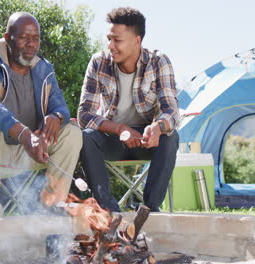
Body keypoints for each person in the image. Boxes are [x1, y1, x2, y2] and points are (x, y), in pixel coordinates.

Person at [0, 12, 82, 218]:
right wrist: (25, 134)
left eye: (35, 38)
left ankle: (51, 213)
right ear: (8, 37)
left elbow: (61, 107)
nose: (31, 44)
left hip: (31, 151)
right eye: (24, 37)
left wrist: (56, 117)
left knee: (72, 133)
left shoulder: (44, 68)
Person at [78, 7, 179, 212]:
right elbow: (84, 114)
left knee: (171, 136)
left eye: (117, 40)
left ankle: (149, 209)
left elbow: (172, 111)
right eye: (109, 39)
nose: (110, 46)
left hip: (148, 139)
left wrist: (158, 128)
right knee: (86, 137)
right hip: (114, 138)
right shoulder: (99, 62)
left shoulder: (159, 61)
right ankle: (108, 210)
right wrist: (120, 129)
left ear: (137, 40)